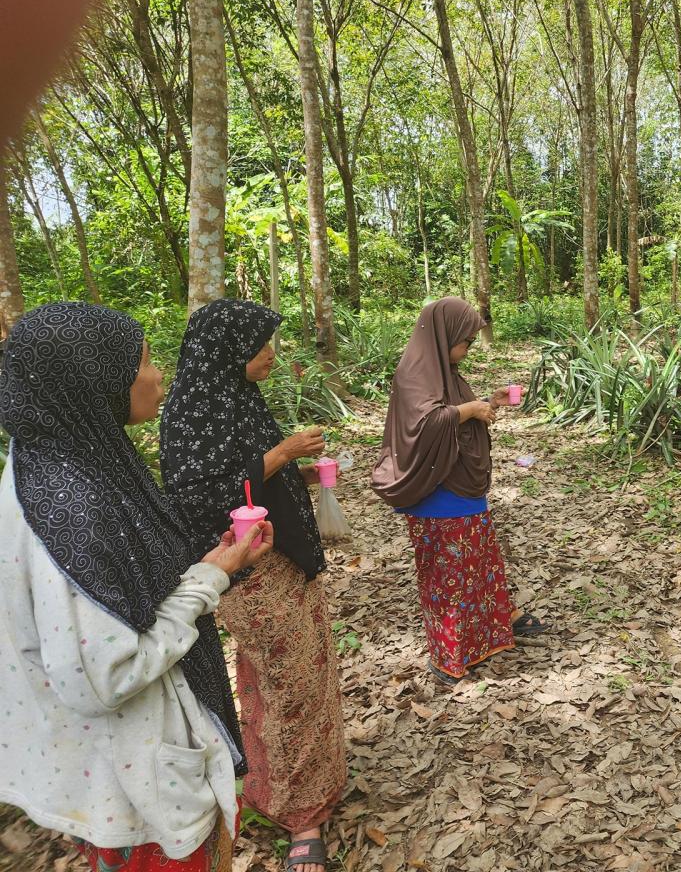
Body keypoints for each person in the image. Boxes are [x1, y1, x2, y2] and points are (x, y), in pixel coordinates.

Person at [0, 301, 273, 872]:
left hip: (118, 767)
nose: (156, 376)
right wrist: (209, 579)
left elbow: (115, 592)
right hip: (136, 780)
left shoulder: (61, 457)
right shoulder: (69, 506)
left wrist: (207, 563)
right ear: (96, 381)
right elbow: (104, 675)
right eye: (144, 362)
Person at [160, 299, 345, 872]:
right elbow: (202, 493)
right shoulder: (191, 410)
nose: (270, 354)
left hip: (283, 559)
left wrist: (297, 470)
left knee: (302, 676)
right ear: (229, 351)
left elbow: (248, 470)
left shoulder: (237, 397)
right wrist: (283, 452)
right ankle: (299, 816)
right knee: (287, 683)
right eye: (261, 344)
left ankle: (296, 783)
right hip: (250, 572)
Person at [372, 297, 546, 688]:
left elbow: (451, 410)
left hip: (462, 487)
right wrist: (470, 411)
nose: (467, 350)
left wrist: (488, 403)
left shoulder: (446, 369)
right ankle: (447, 654)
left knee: (477, 565)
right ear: (443, 335)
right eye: (464, 341)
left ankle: (485, 637)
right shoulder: (414, 373)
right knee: (447, 576)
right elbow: (426, 423)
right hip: (435, 493)